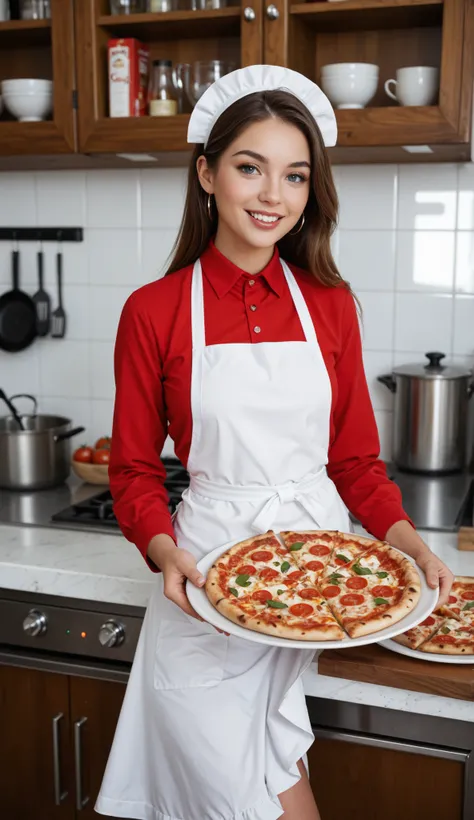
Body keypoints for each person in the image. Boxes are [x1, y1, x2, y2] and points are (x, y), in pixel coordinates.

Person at [95, 64, 454, 820]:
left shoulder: (329, 305)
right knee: (230, 799)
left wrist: (411, 546)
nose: (272, 196)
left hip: (312, 579)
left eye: (294, 176)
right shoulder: (154, 311)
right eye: (249, 168)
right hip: (205, 583)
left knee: (274, 777)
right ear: (206, 174)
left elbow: (354, 461)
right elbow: (130, 469)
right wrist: (164, 554)